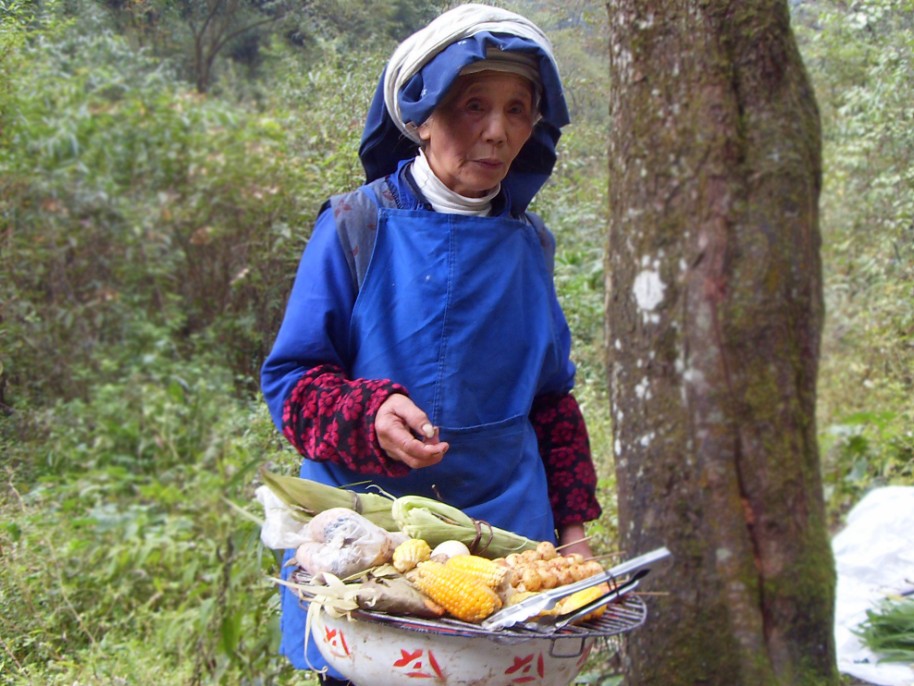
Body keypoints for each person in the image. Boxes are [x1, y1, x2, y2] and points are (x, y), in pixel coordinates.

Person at [260, 4, 602, 683]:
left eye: (516, 108)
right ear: (420, 116)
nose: (497, 131)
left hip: (507, 547)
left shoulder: (530, 243)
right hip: (373, 550)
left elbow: (551, 405)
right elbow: (292, 386)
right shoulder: (355, 225)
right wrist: (372, 412)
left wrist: (573, 535)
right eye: (473, 105)